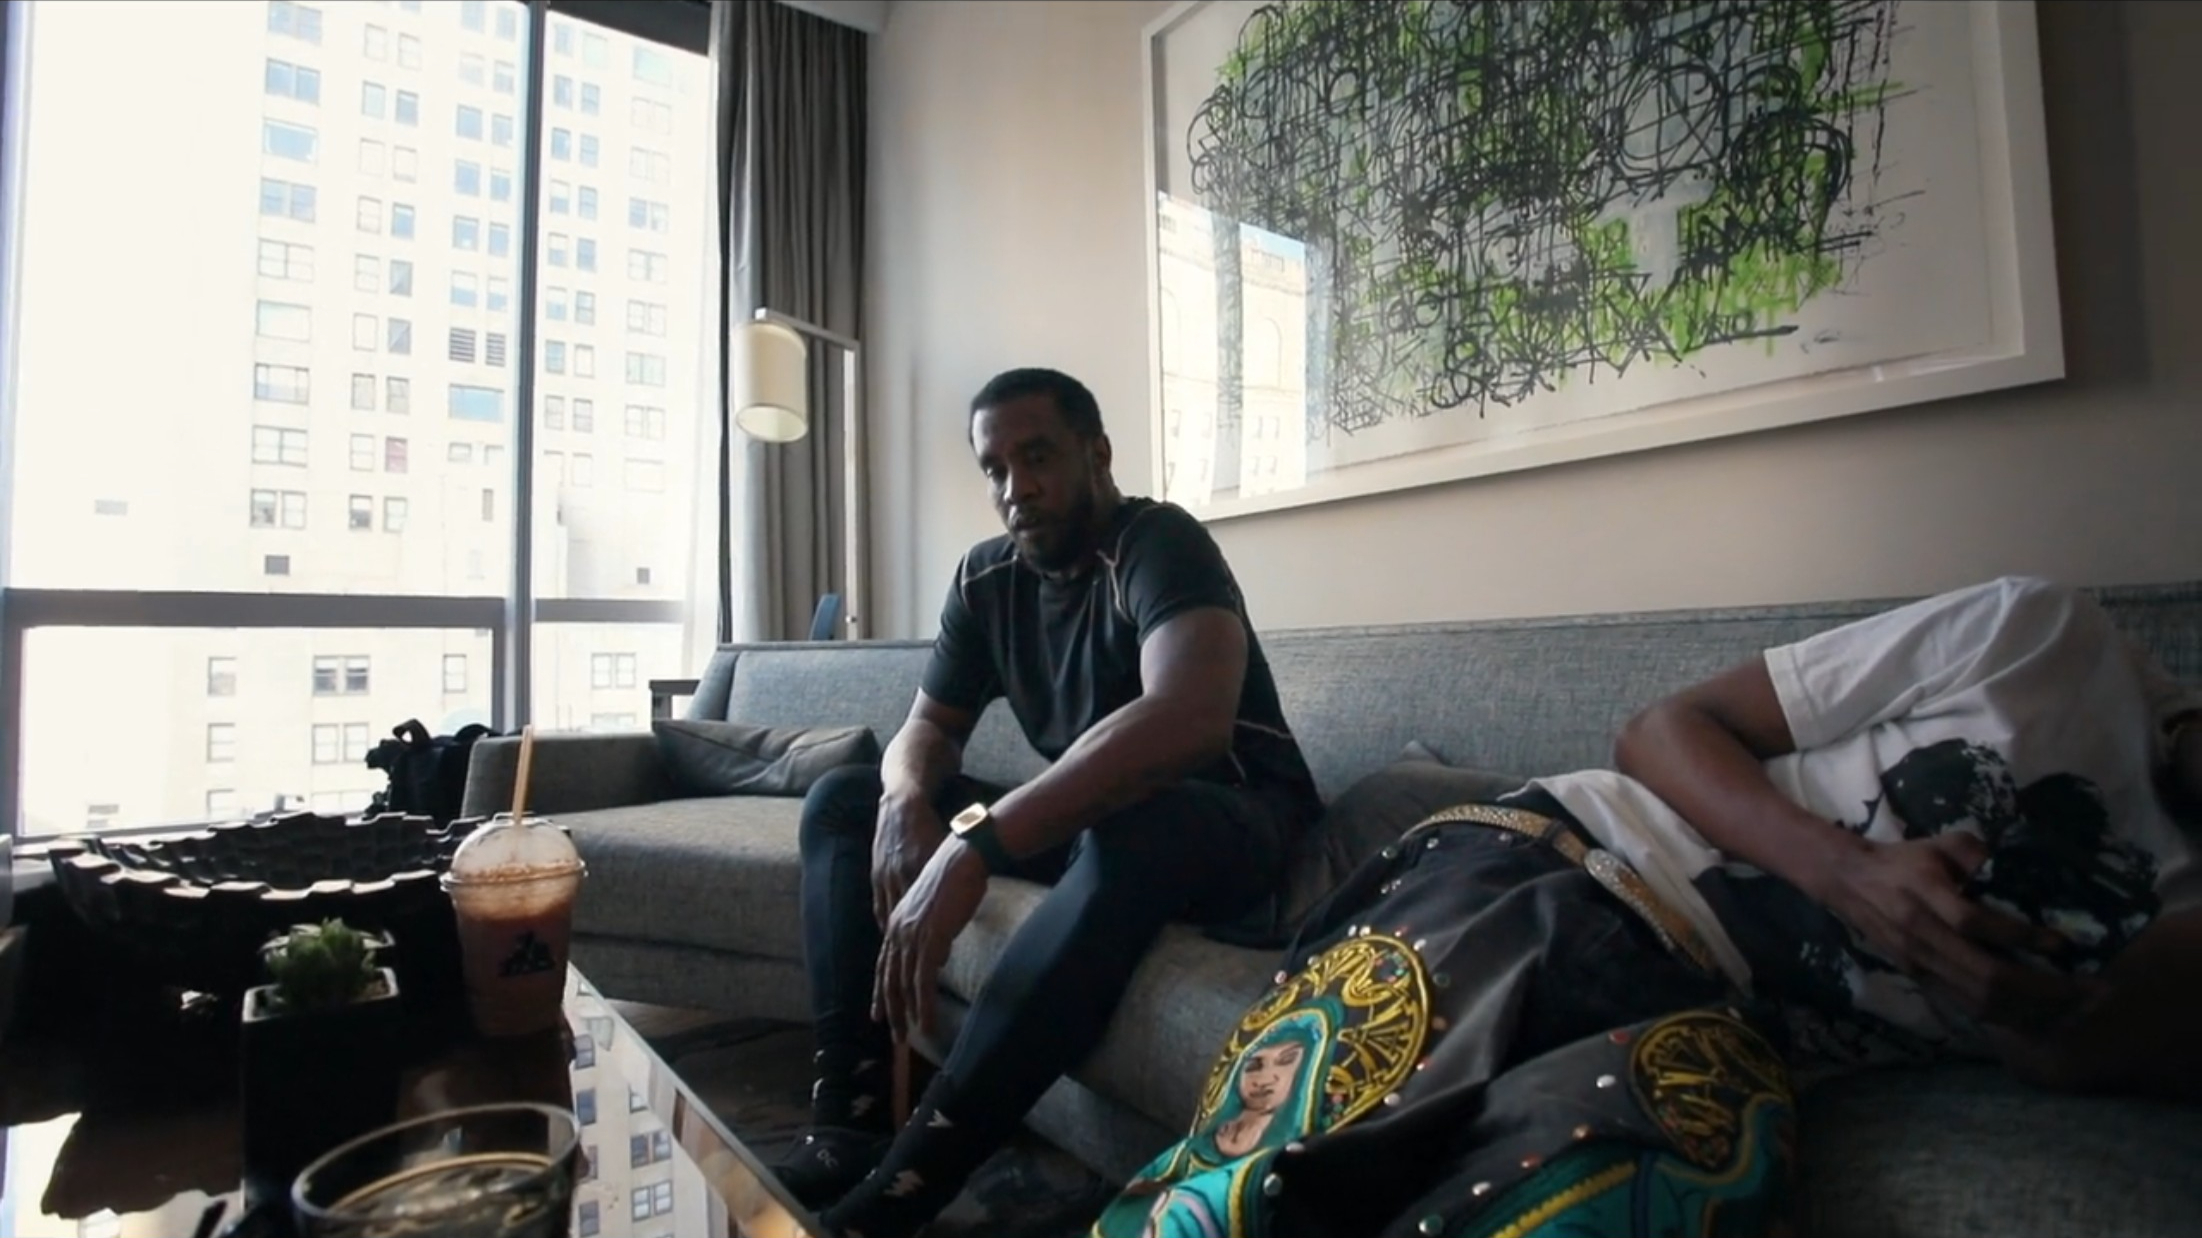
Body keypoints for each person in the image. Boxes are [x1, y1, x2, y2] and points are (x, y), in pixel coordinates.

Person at [1090, 575, 2202, 1237]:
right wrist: (1852, 876)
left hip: (1707, 1029)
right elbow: (1659, 732)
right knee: (1280, 1172)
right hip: (1574, 871)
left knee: (1610, 1202)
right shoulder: (2041, 642)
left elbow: (2065, 1054)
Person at [774, 367, 1325, 1238]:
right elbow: (928, 726)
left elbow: (1188, 717)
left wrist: (975, 845)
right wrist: (906, 798)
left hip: (1238, 820)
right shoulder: (986, 579)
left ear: (1096, 454)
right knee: (847, 797)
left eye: (1037, 457)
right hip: (1104, 823)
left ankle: (907, 1187)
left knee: (1133, 824)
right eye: (994, 469)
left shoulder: (1156, 542)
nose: (1015, 488)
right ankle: (847, 1122)